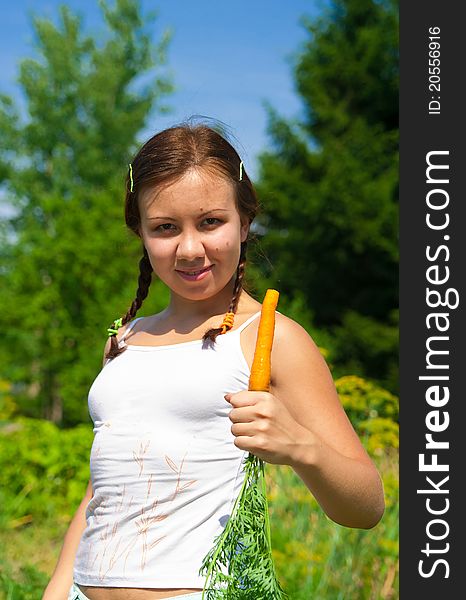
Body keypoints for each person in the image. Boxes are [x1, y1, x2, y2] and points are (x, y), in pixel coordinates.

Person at [43, 121, 385, 600]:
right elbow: (104, 487)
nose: (189, 249)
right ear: (139, 232)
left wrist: (301, 446)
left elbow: (366, 505)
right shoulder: (124, 341)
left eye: (210, 222)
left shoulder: (270, 337)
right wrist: (58, 587)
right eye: (164, 227)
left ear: (244, 222)